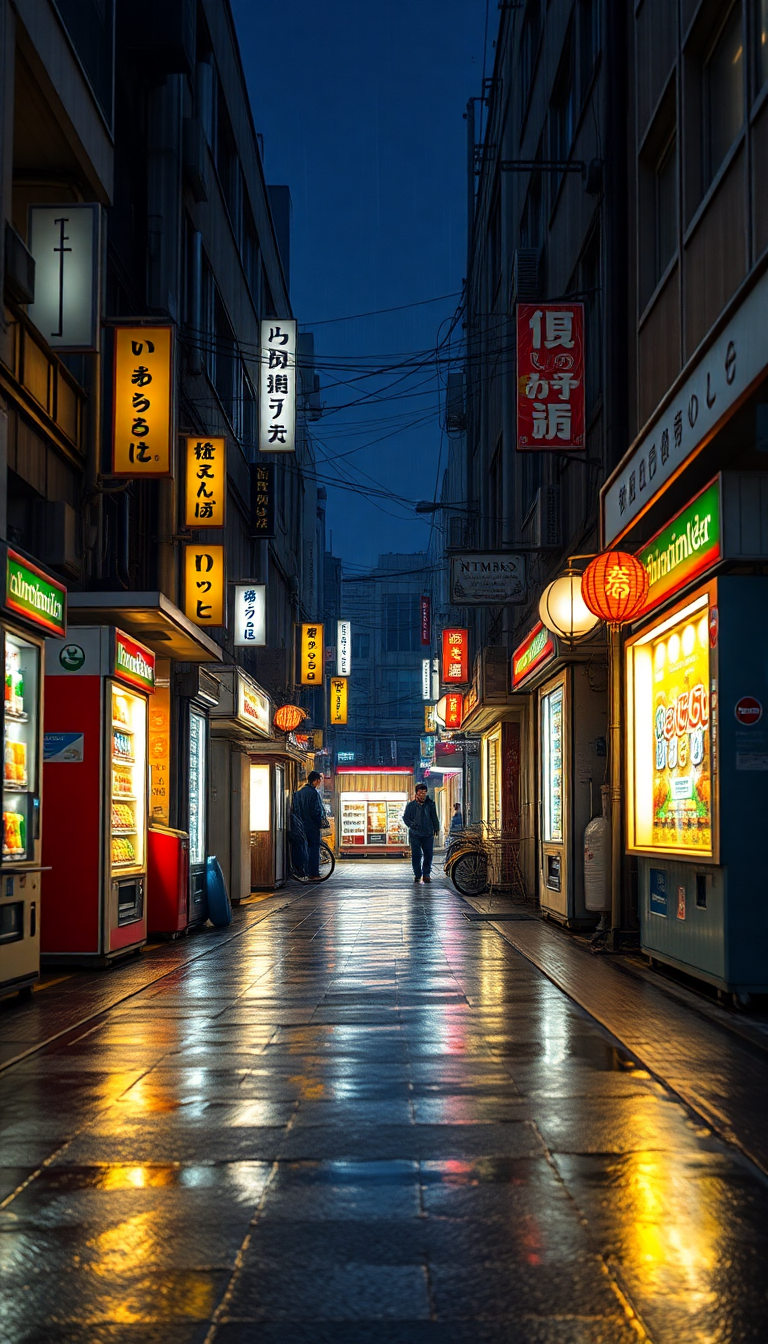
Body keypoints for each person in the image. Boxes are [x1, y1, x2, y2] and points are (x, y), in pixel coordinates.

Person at [402, 782, 440, 883]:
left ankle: (426, 874)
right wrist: (411, 825)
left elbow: (434, 816)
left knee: (428, 854)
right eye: (421, 793)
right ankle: (417, 874)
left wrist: (436, 828)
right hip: (415, 834)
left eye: (424, 793)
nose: (423, 795)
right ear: (416, 794)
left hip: (428, 833)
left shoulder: (430, 804)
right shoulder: (411, 806)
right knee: (416, 855)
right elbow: (405, 818)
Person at [292, 771, 326, 879]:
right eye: (319, 781)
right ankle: (313, 873)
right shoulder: (313, 793)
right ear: (315, 780)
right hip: (312, 826)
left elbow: (295, 810)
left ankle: (303, 871)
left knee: (303, 848)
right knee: (314, 848)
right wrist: (319, 822)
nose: (319, 783)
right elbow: (316, 811)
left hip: (300, 826)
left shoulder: (298, 793)